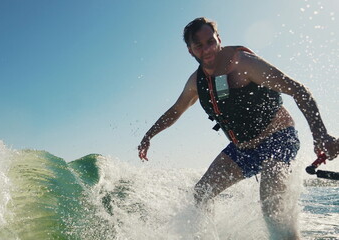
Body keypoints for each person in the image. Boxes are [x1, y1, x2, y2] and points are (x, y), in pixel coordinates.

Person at [137, 17, 337, 239]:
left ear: (219, 39)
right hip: (242, 149)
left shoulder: (244, 64)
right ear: (190, 50)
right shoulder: (197, 82)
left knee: (272, 210)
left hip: (278, 138)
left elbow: (300, 90)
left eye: (210, 42)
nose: (207, 50)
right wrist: (149, 135)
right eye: (199, 46)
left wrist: (320, 134)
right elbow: (176, 109)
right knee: (201, 194)